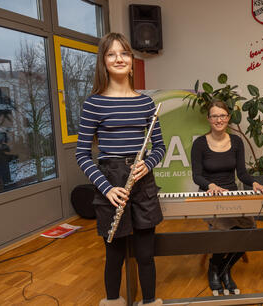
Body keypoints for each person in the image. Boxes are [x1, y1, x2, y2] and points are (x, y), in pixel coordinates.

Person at [75, 32, 165, 306]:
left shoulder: (145, 103)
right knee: (114, 256)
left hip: (142, 182)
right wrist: (106, 188)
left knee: (146, 255)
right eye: (112, 54)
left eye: (124, 53)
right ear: (104, 61)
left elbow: (159, 147)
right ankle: (113, 301)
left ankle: (149, 301)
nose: (119, 58)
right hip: (110, 182)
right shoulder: (93, 103)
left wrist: (147, 165)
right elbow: (82, 155)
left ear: (131, 59)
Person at [190, 100, 263, 295]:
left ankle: (222, 269)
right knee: (224, 229)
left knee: (250, 230)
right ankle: (216, 270)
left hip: (233, 193)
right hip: (210, 195)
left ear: (228, 118)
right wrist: (211, 185)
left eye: (223, 116)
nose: (219, 119)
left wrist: (254, 183)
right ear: (209, 119)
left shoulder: (236, 141)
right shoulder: (200, 143)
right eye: (214, 116)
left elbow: (242, 173)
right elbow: (197, 176)